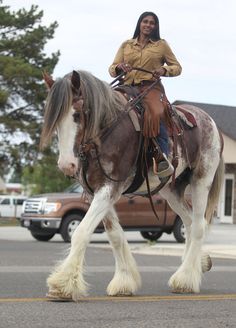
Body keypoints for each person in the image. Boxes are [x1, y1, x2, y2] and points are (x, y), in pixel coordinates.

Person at [109, 11, 182, 179]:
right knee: (105, 108)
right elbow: (112, 68)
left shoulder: (161, 45)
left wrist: (164, 70)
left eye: (152, 22)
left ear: (155, 26)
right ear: (139, 24)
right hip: (126, 86)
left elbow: (177, 67)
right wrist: (120, 67)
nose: (148, 25)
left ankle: (161, 156)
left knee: (155, 112)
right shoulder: (126, 45)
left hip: (150, 87)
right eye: (145, 21)